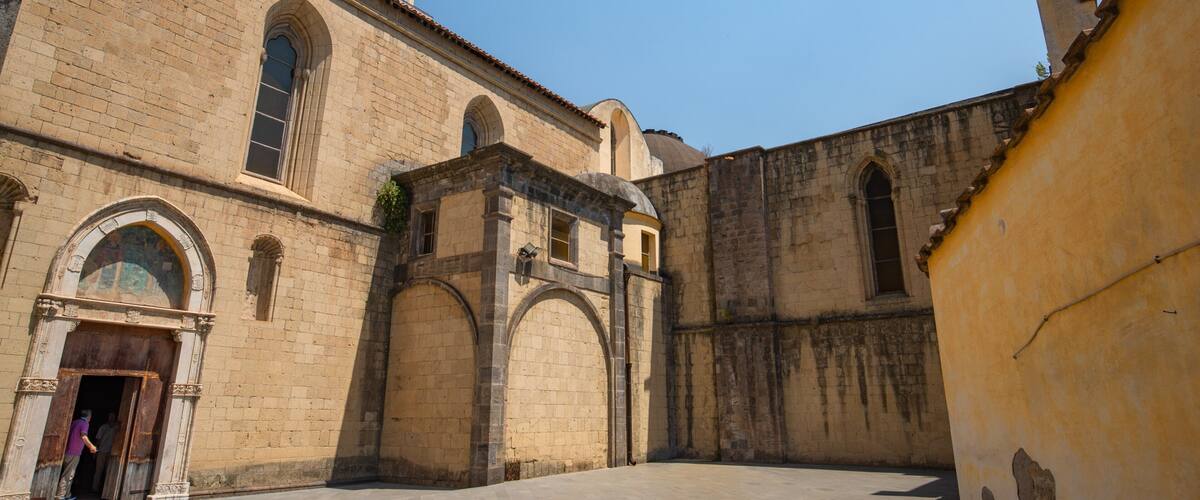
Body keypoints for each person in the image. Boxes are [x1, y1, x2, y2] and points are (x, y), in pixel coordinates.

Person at [56, 409, 97, 500]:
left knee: (69, 473)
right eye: (90, 416)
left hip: (67, 451)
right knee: (68, 474)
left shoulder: (74, 422)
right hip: (74, 453)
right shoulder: (85, 423)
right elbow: (83, 436)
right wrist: (91, 446)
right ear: (89, 416)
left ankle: (67, 495)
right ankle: (60, 495)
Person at [91, 412, 117, 492]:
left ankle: (106, 490)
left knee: (108, 471)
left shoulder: (116, 428)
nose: (111, 418)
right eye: (110, 416)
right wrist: (95, 451)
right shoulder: (103, 427)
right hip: (102, 451)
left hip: (111, 452)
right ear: (108, 418)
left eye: (113, 417)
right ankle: (95, 488)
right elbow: (98, 440)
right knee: (99, 470)